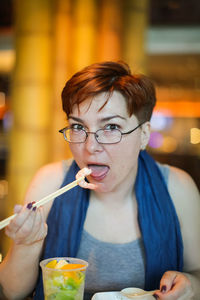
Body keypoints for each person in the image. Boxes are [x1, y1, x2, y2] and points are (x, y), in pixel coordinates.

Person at [0, 61, 199, 300]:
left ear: (144, 135)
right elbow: (11, 293)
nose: (90, 147)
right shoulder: (49, 182)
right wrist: (27, 245)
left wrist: (192, 285)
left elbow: (196, 271)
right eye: (77, 126)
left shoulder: (177, 188)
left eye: (111, 127)